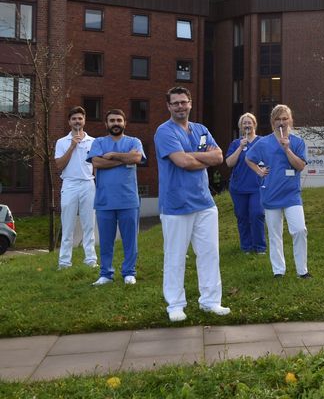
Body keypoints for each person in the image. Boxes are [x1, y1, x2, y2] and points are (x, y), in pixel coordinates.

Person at [154, 86, 230, 322]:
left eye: (183, 102)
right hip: (176, 205)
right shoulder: (164, 132)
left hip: (205, 203)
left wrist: (194, 158)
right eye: (175, 103)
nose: (180, 107)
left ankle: (210, 302)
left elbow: (219, 157)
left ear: (190, 104)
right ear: (168, 106)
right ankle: (175, 305)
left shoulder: (201, 130)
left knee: (209, 254)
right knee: (175, 256)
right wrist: (200, 159)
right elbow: (181, 162)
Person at [245, 105, 310, 279]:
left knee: (299, 230)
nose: (281, 122)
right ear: (272, 122)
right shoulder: (263, 143)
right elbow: (248, 158)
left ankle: (302, 271)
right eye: (278, 119)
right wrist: (258, 171)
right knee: (274, 234)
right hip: (270, 194)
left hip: (291, 195)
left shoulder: (297, 142)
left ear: (290, 120)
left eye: (284, 119)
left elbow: (300, 166)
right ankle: (278, 271)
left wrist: (287, 148)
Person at [87, 109, 145, 286]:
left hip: (128, 199)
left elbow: (137, 157)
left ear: (125, 123)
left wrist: (112, 156)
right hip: (104, 200)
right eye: (112, 120)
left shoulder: (134, 141)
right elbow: (96, 162)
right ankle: (106, 274)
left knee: (130, 239)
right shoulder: (99, 142)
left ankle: (129, 272)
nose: (115, 123)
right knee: (105, 240)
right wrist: (123, 160)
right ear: (106, 124)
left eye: (119, 120)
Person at [54, 106, 98, 270]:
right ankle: (64, 262)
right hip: (70, 184)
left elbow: (97, 164)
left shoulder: (93, 142)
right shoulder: (62, 142)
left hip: (88, 184)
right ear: (69, 122)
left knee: (89, 225)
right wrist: (72, 146)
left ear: (84, 120)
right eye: (74, 119)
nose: (77, 121)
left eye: (80, 118)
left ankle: (91, 261)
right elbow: (59, 165)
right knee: (68, 225)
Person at [225, 113, 266, 255]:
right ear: (241, 127)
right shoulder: (236, 143)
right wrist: (240, 148)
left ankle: (260, 247)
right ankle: (246, 247)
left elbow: (270, 159)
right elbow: (229, 163)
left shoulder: (262, 142)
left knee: (257, 214)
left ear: (254, 124)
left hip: (257, 186)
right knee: (242, 217)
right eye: (244, 123)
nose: (247, 125)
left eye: (249, 122)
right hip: (238, 188)